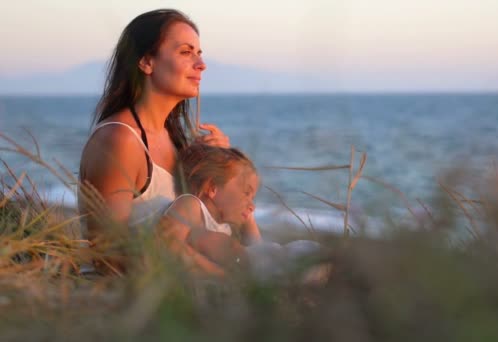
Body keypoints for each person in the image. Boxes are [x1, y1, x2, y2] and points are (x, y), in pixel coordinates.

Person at [78, 9, 258, 274]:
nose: (201, 64)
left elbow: (227, 233)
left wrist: (227, 174)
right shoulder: (120, 140)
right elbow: (109, 255)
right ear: (146, 62)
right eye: (186, 52)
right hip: (126, 303)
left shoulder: (176, 142)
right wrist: (225, 281)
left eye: (199, 53)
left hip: (180, 298)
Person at [161, 143, 326, 281]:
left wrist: (246, 215)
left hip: (264, 264)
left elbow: (256, 245)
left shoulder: (223, 225)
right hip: (258, 270)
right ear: (212, 188)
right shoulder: (190, 203)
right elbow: (168, 244)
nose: (252, 205)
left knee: (308, 257)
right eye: (246, 193)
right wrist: (223, 277)